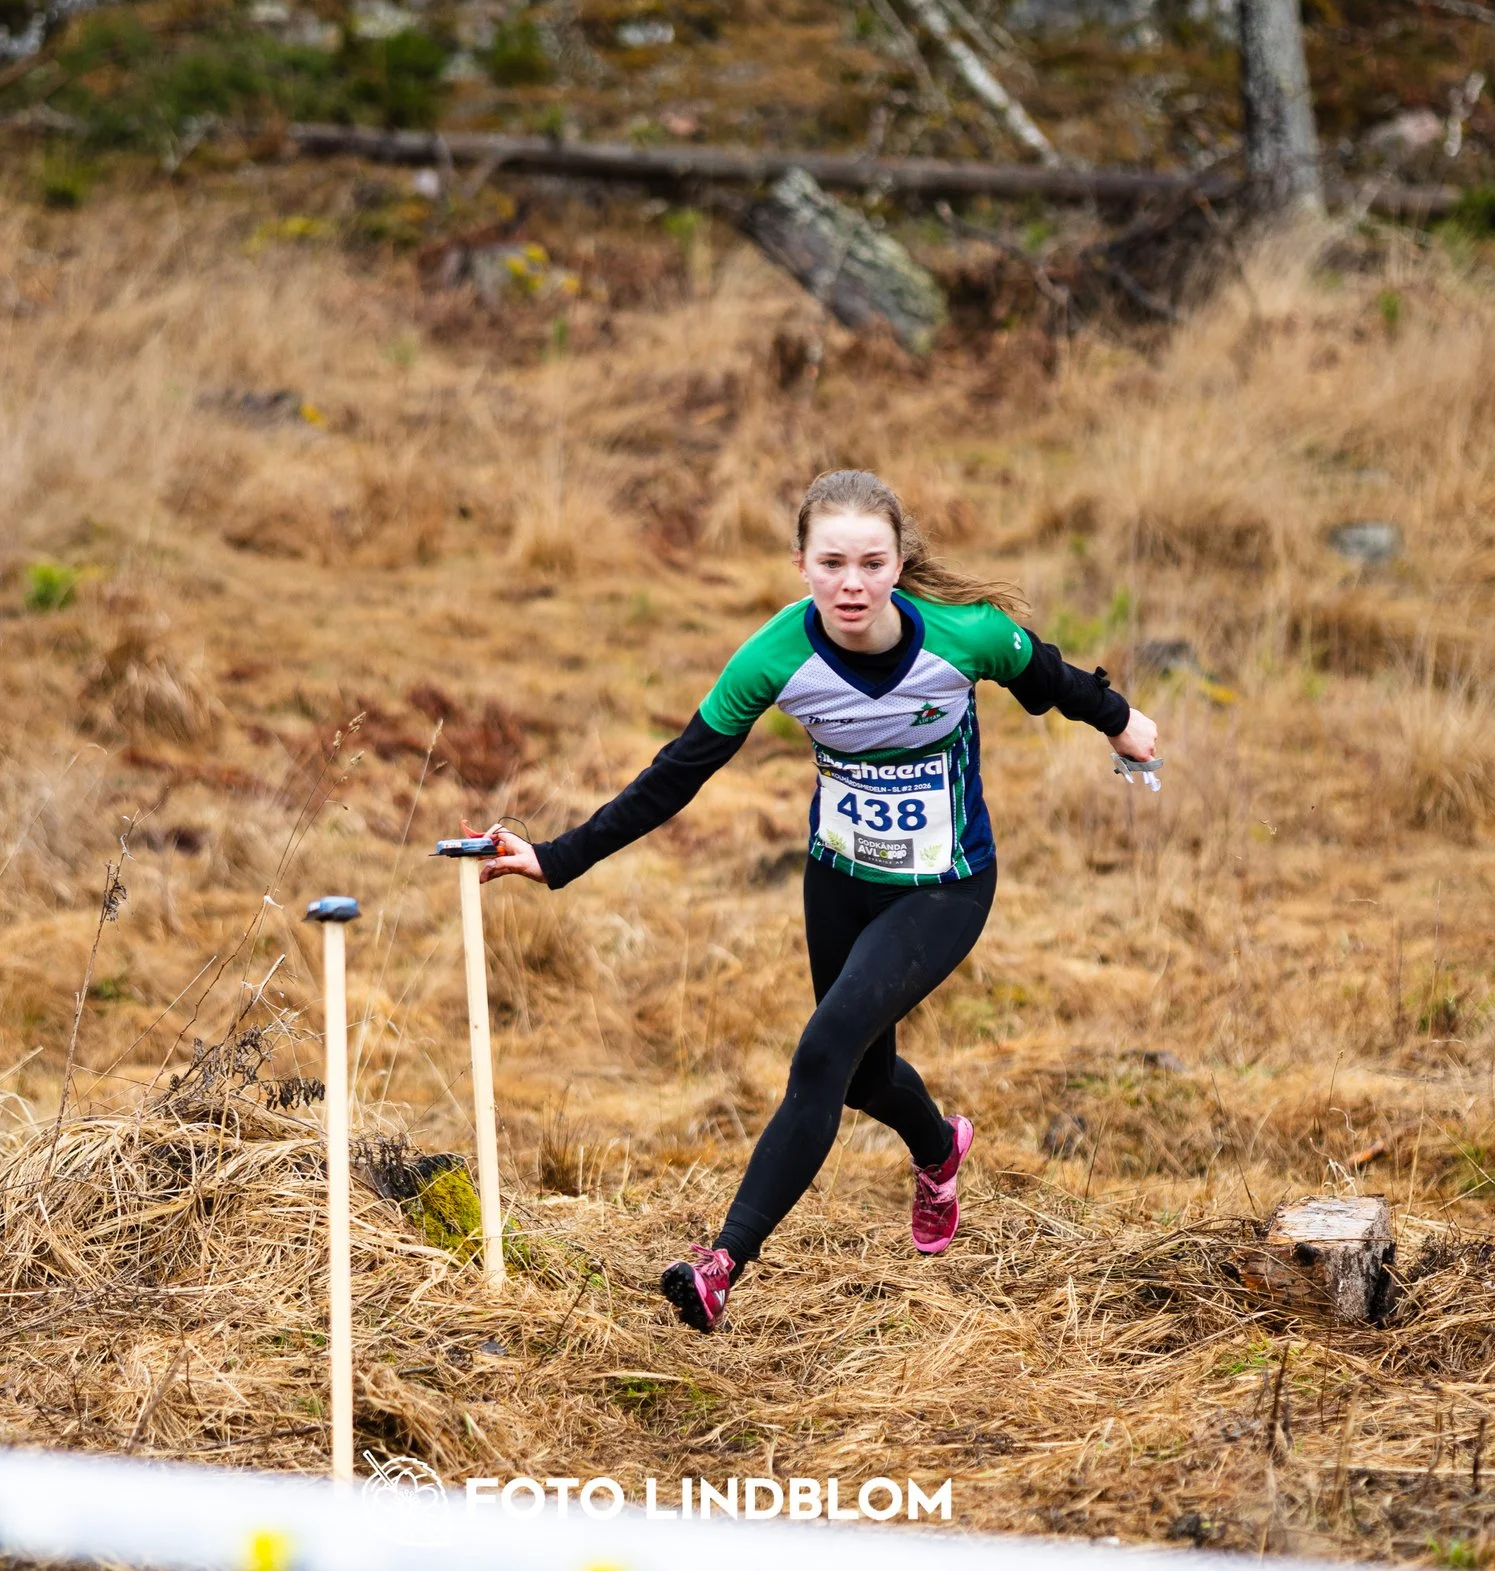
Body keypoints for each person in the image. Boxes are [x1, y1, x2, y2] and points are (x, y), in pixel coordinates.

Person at [473, 470, 1158, 1333]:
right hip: (838, 880)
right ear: (801, 563)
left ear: (900, 562)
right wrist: (556, 856)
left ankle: (721, 1262)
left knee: (824, 1047)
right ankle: (940, 1149)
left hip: (945, 886)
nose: (852, 584)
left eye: (872, 562)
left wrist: (1123, 721)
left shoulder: (964, 636)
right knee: (863, 1074)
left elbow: (1049, 675)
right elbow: (675, 775)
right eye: (832, 562)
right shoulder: (774, 657)